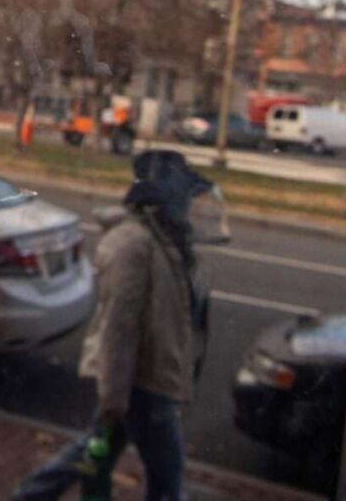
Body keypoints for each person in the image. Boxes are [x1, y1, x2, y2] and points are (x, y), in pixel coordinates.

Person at [12, 150, 212, 501]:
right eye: (184, 197)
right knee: (166, 471)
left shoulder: (163, 242)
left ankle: (30, 495)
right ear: (165, 198)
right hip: (140, 385)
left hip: (144, 381)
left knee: (92, 452)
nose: (189, 207)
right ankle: (30, 495)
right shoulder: (133, 245)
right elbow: (119, 330)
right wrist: (113, 400)